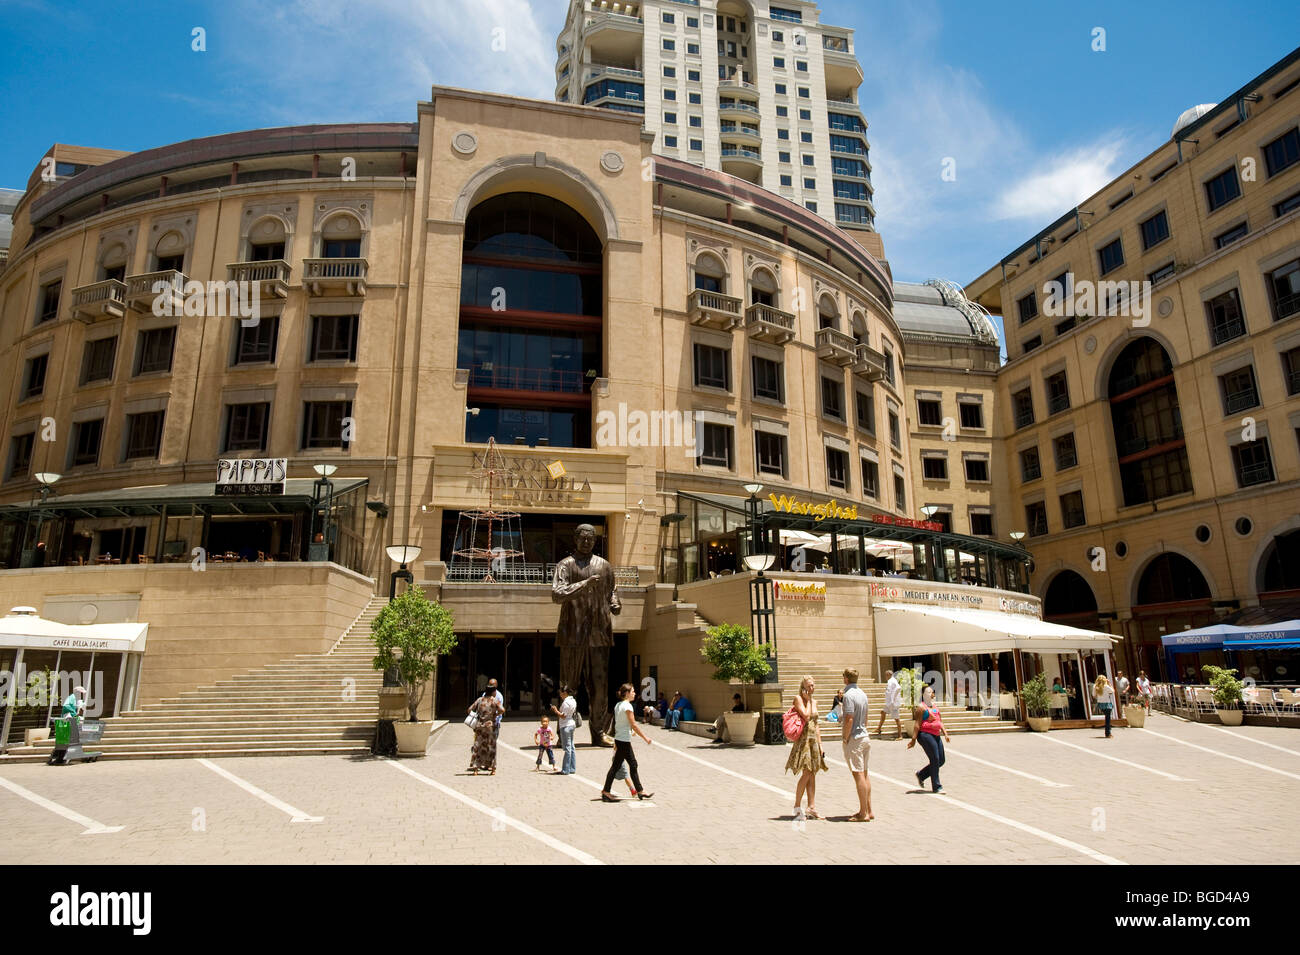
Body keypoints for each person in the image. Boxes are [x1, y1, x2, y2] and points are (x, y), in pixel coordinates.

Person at [552, 524, 622, 747]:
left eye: (591, 540)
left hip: (599, 633)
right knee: (568, 687)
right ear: (575, 538)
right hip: (572, 633)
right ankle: (564, 733)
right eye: (583, 539)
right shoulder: (566, 565)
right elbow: (557, 593)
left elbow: (612, 590)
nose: (586, 543)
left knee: (599, 687)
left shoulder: (604, 565)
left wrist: (614, 602)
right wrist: (585, 583)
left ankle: (599, 733)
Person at [602, 683, 654, 802]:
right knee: (632, 764)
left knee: (617, 766)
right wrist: (645, 738)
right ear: (627, 693)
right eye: (633, 691)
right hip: (624, 740)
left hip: (620, 739)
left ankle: (607, 791)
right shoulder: (628, 706)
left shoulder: (618, 705)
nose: (635, 693)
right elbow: (634, 725)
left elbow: (618, 723)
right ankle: (639, 791)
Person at [786, 676, 828, 820]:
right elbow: (805, 715)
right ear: (803, 688)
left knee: (812, 773)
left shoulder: (814, 701)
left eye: (813, 685)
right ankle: (797, 807)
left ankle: (811, 807)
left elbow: (816, 724)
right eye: (809, 686)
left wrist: (820, 744)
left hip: (813, 742)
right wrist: (808, 699)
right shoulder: (798, 699)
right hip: (803, 742)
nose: (812, 688)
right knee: (807, 773)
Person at [840, 668, 873, 821]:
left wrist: (845, 738)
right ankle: (869, 809)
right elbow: (865, 717)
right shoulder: (862, 694)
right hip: (865, 735)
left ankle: (863, 813)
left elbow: (849, 719)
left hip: (855, 738)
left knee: (858, 774)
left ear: (846, 679)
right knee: (865, 774)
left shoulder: (848, 695)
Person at [909, 689, 951, 794]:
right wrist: (913, 739)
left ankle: (921, 775)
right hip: (925, 735)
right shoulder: (921, 708)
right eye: (929, 692)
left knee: (941, 760)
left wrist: (945, 734)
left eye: (932, 692)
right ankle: (937, 786)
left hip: (936, 735)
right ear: (923, 694)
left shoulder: (935, 707)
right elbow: (917, 724)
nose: (932, 694)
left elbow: (940, 721)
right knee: (935, 758)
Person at [468, 688, 504, 774]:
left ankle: (476, 768)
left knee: (478, 746)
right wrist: (495, 714)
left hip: (480, 726)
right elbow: (502, 710)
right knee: (491, 746)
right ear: (493, 692)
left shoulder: (480, 700)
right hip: (490, 726)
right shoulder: (494, 700)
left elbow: (469, 709)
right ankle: (493, 769)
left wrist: (477, 716)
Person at [549, 684, 578, 774]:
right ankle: (572, 768)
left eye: (561, 693)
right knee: (572, 747)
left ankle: (565, 769)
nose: (560, 695)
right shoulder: (573, 700)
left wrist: (555, 710)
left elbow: (563, 716)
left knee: (567, 748)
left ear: (565, 693)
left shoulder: (566, 702)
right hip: (572, 724)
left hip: (565, 725)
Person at [875, 669, 902, 740]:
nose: (885, 676)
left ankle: (900, 736)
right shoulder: (890, 681)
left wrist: (893, 699)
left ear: (889, 675)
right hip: (889, 703)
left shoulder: (893, 681)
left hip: (893, 704)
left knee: (897, 719)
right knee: (883, 713)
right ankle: (879, 728)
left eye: (886, 675)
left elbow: (898, 688)